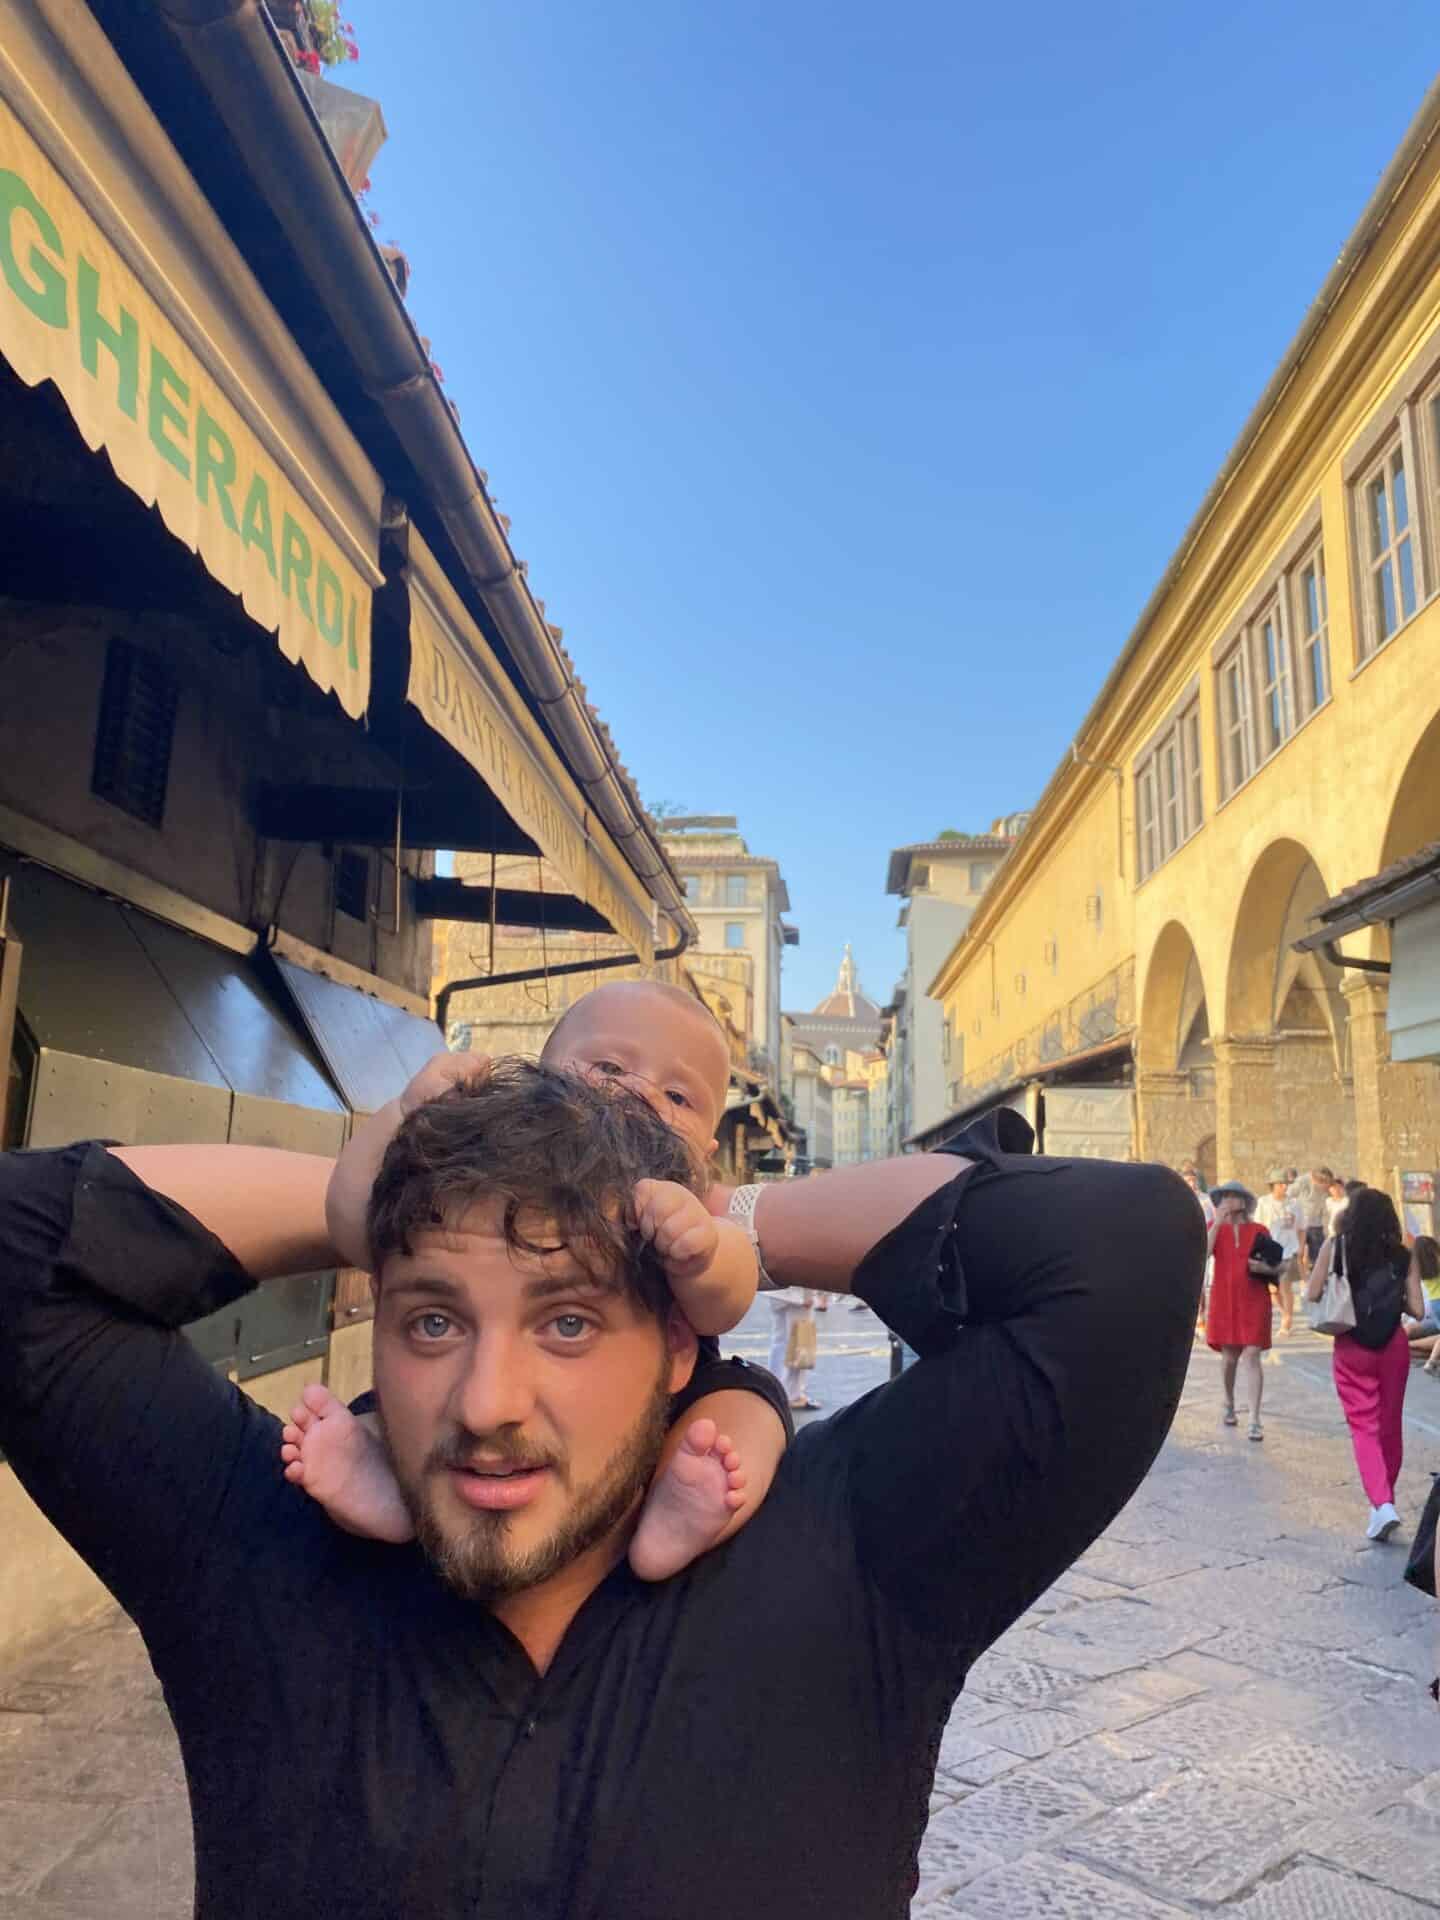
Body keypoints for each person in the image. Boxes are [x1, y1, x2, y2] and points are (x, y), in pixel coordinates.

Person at [0, 1057, 1203, 1918]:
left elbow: (1126, 1246)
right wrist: (335, 1203)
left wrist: (744, 1232)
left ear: (681, 1343)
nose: (486, 1403)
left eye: (569, 1321)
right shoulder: (255, 1553)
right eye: (431, 1322)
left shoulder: (850, 1561)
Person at [283, 982, 791, 1581]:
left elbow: (725, 1301)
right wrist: (405, 1112)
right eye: (608, 1066)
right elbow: (351, 1222)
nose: (640, 1093)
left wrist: (703, 1253)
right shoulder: (480, 1177)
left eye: (678, 1095)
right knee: (400, 1412)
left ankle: (678, 1518)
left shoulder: (687, 1205)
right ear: (538, 1083)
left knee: (748, 1413)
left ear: (705, 1148)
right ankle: (377, 1478)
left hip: (686, 1398)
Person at [1305, 1188, 1425, 1540]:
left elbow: (1311, 1293)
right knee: (1390, 1425)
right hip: (1393, 1346)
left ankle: (1382, 1503)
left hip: (1351, 1344)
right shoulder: (1403, 1255)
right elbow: (1418, 1309)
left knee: (1363, 1426)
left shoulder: (1335, 1246)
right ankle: (1382, 1502)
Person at [1206, 1179, 1284, 1441]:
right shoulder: (1214, 1228)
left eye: (1234, 1196)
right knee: (1229, 1357)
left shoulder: (1259, 1230)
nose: (1229, 1200)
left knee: (1252, 1355)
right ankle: (1228, 1401)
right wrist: (1217, 1222)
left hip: (1254, 1299)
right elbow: (1203, 1253)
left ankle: (1254, 1418)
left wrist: (1267, 1269)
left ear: (1244, 1202)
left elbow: (1276, 1265)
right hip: (1224, 1300)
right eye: (1225, 1196)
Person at [1255, 1168, 1301, 1334]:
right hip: (1270, 1250)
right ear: (1273, 1186)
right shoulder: (1263, 1202)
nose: (1284, 1187)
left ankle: (1287, 1320)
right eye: (1280, 1184)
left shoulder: (1294, 1204)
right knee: (1272, 1289)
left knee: (1285, 1285)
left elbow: (1301, 1227)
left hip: (1288, 1249)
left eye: (1285, 1184)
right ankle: (1284, 1313)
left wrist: (1301, 1247)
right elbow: (1258, 1227)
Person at [767, 1283, 821, 1409]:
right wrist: (808, 1295)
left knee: (780, 1341)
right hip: (798, 1293)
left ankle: (775, 1386)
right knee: (799, 1342)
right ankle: (794, 1394)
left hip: (776, 1291)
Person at [1180, 1165, 1215, 1329]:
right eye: (1188, 1181)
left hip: (1203, 1247)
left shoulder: (1206, 1200)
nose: (1192, 1185)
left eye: (1194, 1181)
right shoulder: (1178, 1199)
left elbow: (1215, 1221)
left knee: (1201, 1284)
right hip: (1184, 1246)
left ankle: (1201, 1318)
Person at [1288, 1165, 1332, 1271]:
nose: (1325, 1187)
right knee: (1297, 1254)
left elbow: (1325, 1209)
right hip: (1300, 1224)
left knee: (1318, 1256)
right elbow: (1288, 1194)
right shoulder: (1302, 1181)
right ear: (1315, 1179)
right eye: (1324, 1183)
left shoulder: (1326, 1186)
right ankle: (1297, 1276)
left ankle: (1317, 1277)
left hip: (1316, 1224)